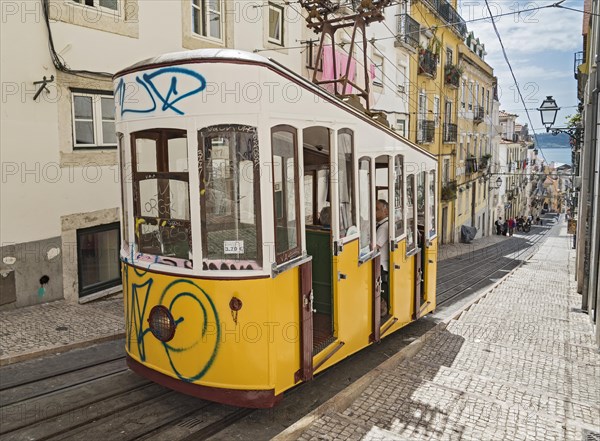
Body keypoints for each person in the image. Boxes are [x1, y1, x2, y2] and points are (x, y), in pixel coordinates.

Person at [376, 199, 389, 317]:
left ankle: (381, 306)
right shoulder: (381, 225)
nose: (374, 212)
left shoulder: (383, 227)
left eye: (376, 209)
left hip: (381, 266)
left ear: (386, 212)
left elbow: (375, 247)